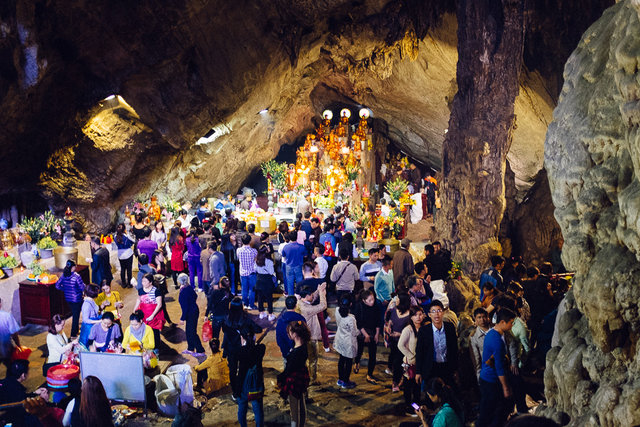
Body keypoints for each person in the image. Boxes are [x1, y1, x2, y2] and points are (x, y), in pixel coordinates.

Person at [477, 308, 517, 427]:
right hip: (491, 380)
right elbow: (499, 367)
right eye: (511, 322)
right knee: (492, 411)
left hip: (487, 378)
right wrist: (505, 387)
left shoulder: (492, 333)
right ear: (502, 322)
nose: (512, 325)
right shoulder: (497, 341)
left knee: (489, 410)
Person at [222, 297, 262, 400]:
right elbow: (258, 329)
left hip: (231, 348)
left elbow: (225, 332)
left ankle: (235, 392)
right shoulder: (245, 320)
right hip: (243, 349)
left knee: (232, 370)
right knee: (242, 370)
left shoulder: (226, 318)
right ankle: (242, 389)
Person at [415, 299, 458, 387]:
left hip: (447, 367)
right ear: (429, 315)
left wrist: (455, 369)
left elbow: (454, 350)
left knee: (447, 394)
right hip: (431, 367)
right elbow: (419, 352)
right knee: (431, 395)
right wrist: (418, 372)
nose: (436, 314)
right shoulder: (424, 331)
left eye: (439, 311)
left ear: (443, 313)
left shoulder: (450, 328)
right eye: (433, 311)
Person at [277, 321, 311, 427]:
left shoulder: (296, 353)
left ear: (295, 334)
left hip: (294, 381)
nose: (288, 334)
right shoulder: (304, 346)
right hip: (301, 378)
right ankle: (302, 424)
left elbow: (289, 369)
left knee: (294, 408)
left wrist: (280, 377)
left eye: (290, 332)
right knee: (301, 403)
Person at [297, 283, 327, 383]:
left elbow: (312, 299)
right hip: (311, 337)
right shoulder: (307, 309)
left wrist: (318, 290)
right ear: (306, 296)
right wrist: (322, 293)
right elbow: (323, 305)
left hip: (304, 336)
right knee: (313, 359)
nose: (312, 296)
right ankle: (312, 379)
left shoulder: (301, 302)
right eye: (310, 295)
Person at [398, 306, 425, 414]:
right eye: (415, 315)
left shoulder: (424, 328)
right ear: (411, 317)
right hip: (410, 364)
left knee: (417, 387)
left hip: (420, 364)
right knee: (409, 387)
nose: (418, 317)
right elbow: (400, 345)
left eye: (420, 314)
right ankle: (409, 407)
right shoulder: (408, 329)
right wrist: (411, 357)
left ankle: (416, 406)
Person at [236, 328, 265, 427]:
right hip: (256, 384)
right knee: (257, 408)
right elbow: (260, 346)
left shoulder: (240, 351)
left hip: (243, 383)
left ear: (242, 338)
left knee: (242, 408)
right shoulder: (260, 349)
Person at [353, 289, 383, 384]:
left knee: (373, 355)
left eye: (373, 299)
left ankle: (369, 374)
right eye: (369, 300)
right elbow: (358, 322)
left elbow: (379, 320)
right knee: (359, 350)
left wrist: (377, 334)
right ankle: (357, 362)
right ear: (364, 300)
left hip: (373, 332)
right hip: (362, 332)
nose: (372, 302)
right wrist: (365, 335)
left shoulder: (376, 306)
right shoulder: (359, 307)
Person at [386, 292, 411, 392]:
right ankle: (397, 378)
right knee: (393, 357)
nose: (395, 300)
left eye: (398, 299)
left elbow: (410, 331)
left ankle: (395, 382)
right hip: (393, 341)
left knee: (398, 362)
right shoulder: (394, 310)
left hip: (403, 343)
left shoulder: (410, 315)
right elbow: (390, 321)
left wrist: (399, 334)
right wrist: (389, 327)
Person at [177, 273, 205, 356]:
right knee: (189, 332)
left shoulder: (183, 292)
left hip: (190, 313)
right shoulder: (188, 287)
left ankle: (200, 350)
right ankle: (190, 348)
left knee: (192, 332)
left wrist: (182, 318)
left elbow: (185, 307)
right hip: (194, 311)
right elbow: (195, 296)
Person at [133, 273, 165, 346]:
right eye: (142, 281)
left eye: (145, 281)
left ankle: (156, 346)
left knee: (154, 331)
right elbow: (138, 300)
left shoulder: (156, 291)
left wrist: (152, 315)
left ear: (150, 283)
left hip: (153, 314)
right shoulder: (140, 290)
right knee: (144, 330)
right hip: (144, 313)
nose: (143, 283)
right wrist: (134, 309)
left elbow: (159, 304)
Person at [56, 260, 86, 337]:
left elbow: (57, 286)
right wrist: (84, 286)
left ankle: (75, 331)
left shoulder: (64, 275)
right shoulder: (76, 276)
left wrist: (66, 289)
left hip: (68, 299)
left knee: (75, 315)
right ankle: (73, 334)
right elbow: (82, 288)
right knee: (76, 317)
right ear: (72, 267)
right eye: (75, 266)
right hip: (77, 299)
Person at [334, 296, 359, 389]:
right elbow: (354, 332)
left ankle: (340, 379)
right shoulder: (351, 318)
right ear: (351, 304)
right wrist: (360, 332)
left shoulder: (337, 310)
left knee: (341, 359)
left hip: (340, 338)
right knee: (348, 362)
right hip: (348, 341)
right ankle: (346, 381)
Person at [275, 296, 306, 362]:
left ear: (286, 305)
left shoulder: (280, 321)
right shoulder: (300, 319)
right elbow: (304, 335)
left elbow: (279, 339)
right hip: (299, 352)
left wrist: (285, 350)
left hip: (286, 353)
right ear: (296, 305)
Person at [470, 307, 492, 382]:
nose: (482, 320)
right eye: (479, 317)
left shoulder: (495, 329)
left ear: (488, 317)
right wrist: (479, 376)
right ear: (475, 319)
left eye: (484, 317)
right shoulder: (474, 336)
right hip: (487, 368)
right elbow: (476, 358)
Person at [255, 245, 276, 321]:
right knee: (269, 298)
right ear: (266, 252)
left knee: (260, 298)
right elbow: (271, 272)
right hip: (267, 281)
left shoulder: (257, 260)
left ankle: (261, 313)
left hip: (259, 280)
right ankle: (270, 314)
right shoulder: (269, 261)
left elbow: (255, 269)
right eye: (268, 248)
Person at [237, 234, 258, 309]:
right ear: (250, 241)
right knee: (252, 289)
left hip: (242, 272)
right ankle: (251, 305)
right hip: (252, 272)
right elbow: (255, 260)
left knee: (244, 289)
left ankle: (245, 304)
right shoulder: (254, 251)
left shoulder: (238, 250)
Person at [282, 231, 306, 297]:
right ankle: (300, 297)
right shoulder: (301, 247)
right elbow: (305, 255)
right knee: (299, 282)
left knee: (290, 283)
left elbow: (283, 255)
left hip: (289, 266)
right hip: (299, 266)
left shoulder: (286, 247)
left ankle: (291, 298)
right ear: (297, 237)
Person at [113, 223, 134, 288]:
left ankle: (123, 283)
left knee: (123, 269)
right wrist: (127, 234)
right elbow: (133, 241)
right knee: (129, 269)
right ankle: (129, 284)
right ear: (124, 229)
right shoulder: (126, 236)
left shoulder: (115, 236)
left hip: (120, 255)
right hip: (128, 254)